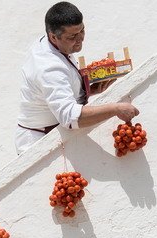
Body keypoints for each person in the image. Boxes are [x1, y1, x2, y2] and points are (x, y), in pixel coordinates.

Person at [15, 2, 140, 154]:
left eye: (82, 31)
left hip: (56, 136)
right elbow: (70, 118)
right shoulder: (49, 68)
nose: (80, 38)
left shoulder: (50, 43)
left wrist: (86, 89)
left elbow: (58, 88)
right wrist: (116, 109)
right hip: (39, 145)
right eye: (73, 36)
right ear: (53, 36)